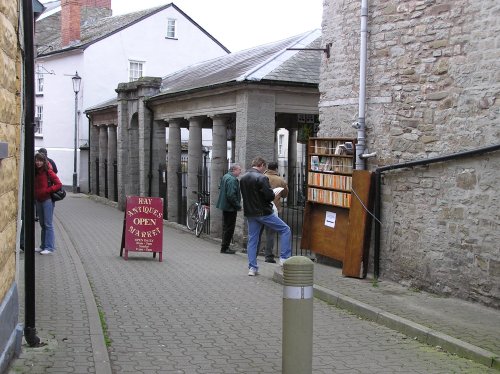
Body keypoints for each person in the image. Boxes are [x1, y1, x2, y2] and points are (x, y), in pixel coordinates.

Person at [240, 156, 291, 276]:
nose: (265, 170)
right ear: (261, 165)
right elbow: (269, 196)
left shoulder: (243, 178)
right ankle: (284, 259)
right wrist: (274, 193)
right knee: (285, 230)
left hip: (250, 213)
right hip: (264, 212)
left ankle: (252, 268)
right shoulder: (262, 177)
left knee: (253, 239)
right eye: (264, 167)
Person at [34, 152, 62, 255]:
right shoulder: (35, 172)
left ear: (44, 161)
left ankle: (49, 247)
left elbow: (59, 184)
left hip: (47, 200)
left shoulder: (48, 172)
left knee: (48, 224)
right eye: (37, 160)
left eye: (40, 160)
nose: (38, 162)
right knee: (42, 224)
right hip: (38, 200)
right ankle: (43, 246)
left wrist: (47, 190)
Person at [261, 161, 289, 263]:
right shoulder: (280, 180)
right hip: (273, 209)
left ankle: (254, 253)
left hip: (259, 208)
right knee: (270, 234)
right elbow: (285, 194)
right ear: (276, 169)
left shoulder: (261, 177)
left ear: (267, 167)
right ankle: (269, 256)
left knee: (257, 233)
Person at [216, 164, 242, 254]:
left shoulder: (226, 176)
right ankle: (225, 247)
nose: (240, 171)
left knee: (226, 226)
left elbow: (220, 187)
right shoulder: (232, 179)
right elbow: (231, 195)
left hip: (225, 206)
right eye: (239, 169)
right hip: (230, 207)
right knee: (229, 227)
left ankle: (224, 246)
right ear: (234, 170)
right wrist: (238, 206)